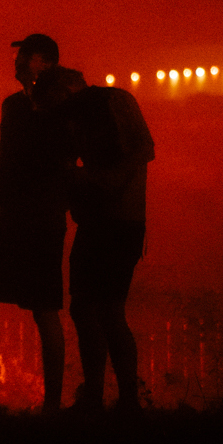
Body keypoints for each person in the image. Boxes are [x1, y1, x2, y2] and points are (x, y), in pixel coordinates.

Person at [0, 33, 83, 413]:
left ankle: (47, 405)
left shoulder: (62, 107)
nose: (16, 62)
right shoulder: (13, 105)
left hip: (37, 216)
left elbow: (51, 164)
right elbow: (19, 164)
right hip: (16, 213)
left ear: (45, 62)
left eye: (25, 56)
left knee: (41, 308)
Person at [63, 81, 155, 413]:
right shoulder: (81, 114)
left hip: (118, 223)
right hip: (100, 222)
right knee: (87, 309)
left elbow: (139, 153)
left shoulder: (112, 104)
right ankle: (102, 396)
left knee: (105, 310)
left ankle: (122, 398)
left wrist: (89, 179)